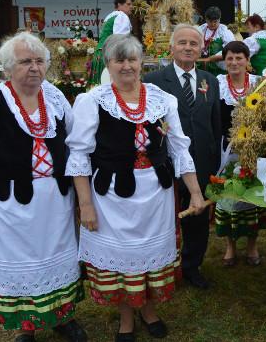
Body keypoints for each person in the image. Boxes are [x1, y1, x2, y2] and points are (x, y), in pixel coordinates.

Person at [66, 34, 206, 341]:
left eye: (132, 59)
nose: (127, 66)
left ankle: (149, 309)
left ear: (142, 62)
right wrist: (85, 205)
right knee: (122, 258)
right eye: (120, 60)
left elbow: (180, 149)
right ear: (109, 64)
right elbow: (79, 155)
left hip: (156, 194)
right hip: (111, 196)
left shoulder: (161, 99)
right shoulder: (92, 101)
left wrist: (195, 192)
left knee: (151, 255)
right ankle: (126, 318)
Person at [0, 32, 87, 342]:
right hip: (10, 207)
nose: (34, 68)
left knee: (60, 259)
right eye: (26, 61)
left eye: (40, 61)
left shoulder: (53, 97)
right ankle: (27, 326)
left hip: (56, 205)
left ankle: (63, 317)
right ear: (9, 67)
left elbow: (77, 143)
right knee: (23, 266)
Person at [144, 24, 222, 290]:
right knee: (166, 214)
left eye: (194, 43)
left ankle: (192, 266)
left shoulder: (210, 81)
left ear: (202, 49)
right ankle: (162, 268)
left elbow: (215, 124)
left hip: (201, 161)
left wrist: (214, 157)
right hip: (165, 162)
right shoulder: (153, 81)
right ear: (172, 47)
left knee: (198, 216)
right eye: (183, 43)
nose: (189, 47)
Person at [214, 41, 266, 267]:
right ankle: (230, 246)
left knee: (253, 197)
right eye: (229, 58)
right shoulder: (217, 84)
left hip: (253, 150)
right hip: (227, 149)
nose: (234, 62)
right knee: (228, 196)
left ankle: (252, 244)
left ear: (247, 60)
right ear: (224, 61)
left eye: (239, 58)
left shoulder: (259, 83)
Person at [90, 0, 134, 84]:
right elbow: (120, 41)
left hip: (100, 54)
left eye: (131, 4)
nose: (131, 7)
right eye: (128, 4)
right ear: (119, 4)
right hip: (110, 56)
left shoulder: (110, 16)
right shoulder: (122, 17)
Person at [197, 6, 235, 75]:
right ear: (206, 19)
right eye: (210, 21)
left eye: (215, 22)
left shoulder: (224, 32)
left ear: (219, 19)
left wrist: (214, 58)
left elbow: (231, 50)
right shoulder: (200, 29)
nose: (213, 24)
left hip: (218, 70)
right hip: (201, 68)